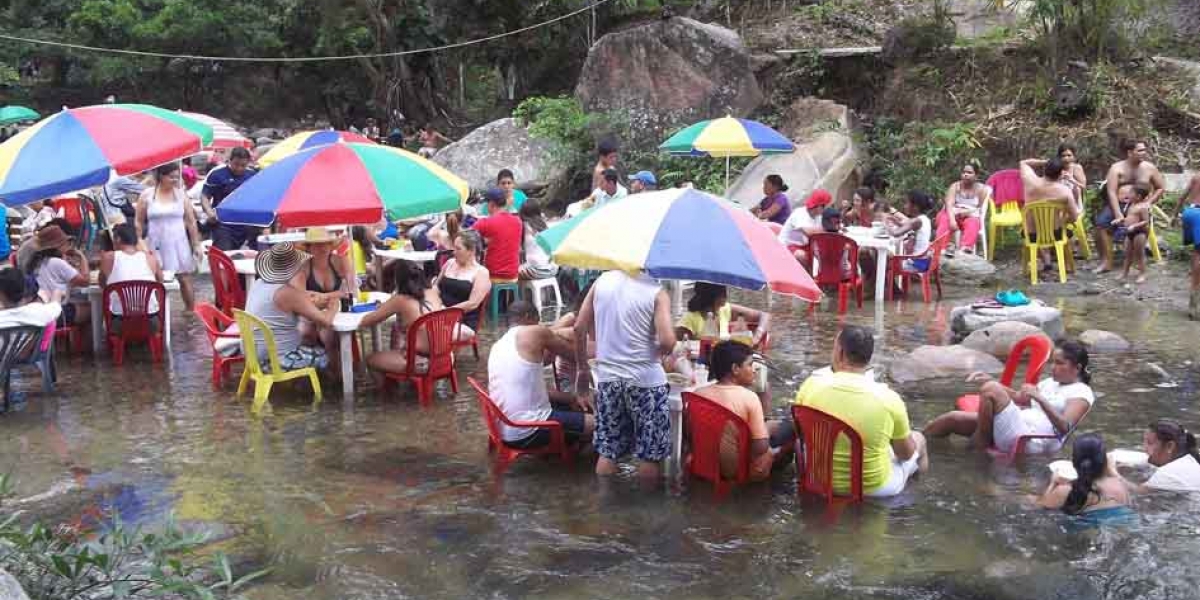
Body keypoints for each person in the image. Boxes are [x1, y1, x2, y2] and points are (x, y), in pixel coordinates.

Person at [794, 325, 928, 497]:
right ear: (868, 358)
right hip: (873, 489)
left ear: (840, 352)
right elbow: (905, 454)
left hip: (818, 480)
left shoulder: (811, 386)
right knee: (920, 440)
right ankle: (910, 501)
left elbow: (801, 433)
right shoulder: (889, 398)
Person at [574, 270, 675, 478]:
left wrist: (582, 368)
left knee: (608, 449)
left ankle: (604, 504)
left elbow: (578, 328)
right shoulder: (657, 291)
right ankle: (647, 508)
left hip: (608, 379)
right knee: (650, 454)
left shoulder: (601, 282)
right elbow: (668, 342)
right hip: (646, 382)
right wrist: (654, 353)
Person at [924, 340, 1094, 454]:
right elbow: (1020, 398)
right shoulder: (1050, 382)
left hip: (1031, 440)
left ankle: (980, 443)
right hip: (1017, 423)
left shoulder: (1081, 392)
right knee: (952, 419)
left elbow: (1066, 427)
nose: (1053, 368)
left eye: (1059, 363)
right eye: (1053, 362)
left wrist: (1041, 399)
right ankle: (914, 447)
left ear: (1077, 368)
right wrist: (993, 381)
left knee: (991, 389)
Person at [488, 300, 594, 448]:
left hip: (504, 430)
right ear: (527, 317)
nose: (539, 325)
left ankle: (570, 447)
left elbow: (533, 389)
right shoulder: (533, 332)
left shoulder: (498, 345)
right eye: (538, 321)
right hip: (528, 431)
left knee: (573, 406)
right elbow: (572, 353)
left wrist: (571, 398)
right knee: (601, 425)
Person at [694, 341, 795, 481]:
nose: (754, 370)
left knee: (772, 425)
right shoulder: (749, 398)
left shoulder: (698, 394)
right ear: (735, 369)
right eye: (750, 364)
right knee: (790, 429)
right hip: (737, 470)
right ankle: (772, 487)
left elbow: (690, 433)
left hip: (705, 464)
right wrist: (767, 430)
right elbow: (760, 447)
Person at [361, 259, 473, 376]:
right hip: (445, 358)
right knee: (401, 333)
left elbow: (368, 320)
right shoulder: (433, 291)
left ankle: (389, 391)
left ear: (398, 281)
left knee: (370, 359)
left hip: (420, 363)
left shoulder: (400, 299)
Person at [244, 243, 337, 371]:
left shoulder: (259, 283)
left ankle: (302, 383)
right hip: (275, 360)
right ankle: (334, 386)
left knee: (308, 338)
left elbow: (292, 303)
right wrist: (334, 305)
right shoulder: (287, 292)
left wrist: (311, 299)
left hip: (253, 355)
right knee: (326, 355)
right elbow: (326, 322)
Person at [1095, 140, 1166, 273]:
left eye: (1144, 150)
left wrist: (1148, 203)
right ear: (1129, 152)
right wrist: (1117, 213)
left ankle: (1136, 262)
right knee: (1101, 224)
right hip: (1119, 204)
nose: (1144, 153)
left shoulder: (1149, 167)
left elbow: (1160, 188)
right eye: (1140, 150)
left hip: (1139, 206)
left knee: (1137, 229)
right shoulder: (1117, 168)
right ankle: (1106, 262)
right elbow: (1111, 191)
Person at [136, 162, 199, 310]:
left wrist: (196, 244)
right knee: (157, 279)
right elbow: (138, 221)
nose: (175, 180)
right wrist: (138, 242)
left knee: (184, 278)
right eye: (171, 177)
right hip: (156, 242)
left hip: (178, 242)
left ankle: (191, 312)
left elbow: (191, 221)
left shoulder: (181, 194)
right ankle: (158, 312)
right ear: (161, 176)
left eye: (177, 177)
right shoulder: (147, 195)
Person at [1037, 434, 1131, 519]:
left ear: (1074, 463)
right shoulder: (1120, 485)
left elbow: (1040, 506)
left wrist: (1052, 484)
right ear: (1104, 462)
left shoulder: (1064, 491)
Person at [1019, 157, 1078, 271]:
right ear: (1061, 173)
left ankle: (1046, 260)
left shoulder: (1029, 181)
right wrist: (1062, 220)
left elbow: (1023, 162)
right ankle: (1066, 265)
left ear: (1045, 169)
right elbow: (1074, 217)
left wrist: (1045, 161)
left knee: (1034, 229)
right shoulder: (1065, 191)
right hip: (1055, 234)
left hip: (1031, 235)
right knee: (1068, 231)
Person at [675, 282, 770, 348]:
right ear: (712, 296)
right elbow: (676, 349)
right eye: (724, 293)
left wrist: (757, 336)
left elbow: (764, 315)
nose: (726, 297)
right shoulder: (690, 319)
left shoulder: (724, 310)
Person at [28, 225, 90, 326]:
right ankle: (89, 342)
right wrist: (82, 256)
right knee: (92, 310)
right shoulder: (56, 262)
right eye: (66, 243)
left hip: (40, 311)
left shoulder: (37, 262)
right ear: (59, 246)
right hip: (56, 312)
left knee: (77, 306)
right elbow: (85, 281)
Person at [99, 223, 162, 317]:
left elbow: (102, 283)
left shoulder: (108, 257)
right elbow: (160, 283)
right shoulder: (150, 258)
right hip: (149, 319)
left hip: (120, 320)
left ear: (118, 239)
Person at [202, 147, 259, 251]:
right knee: (225, 255)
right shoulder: (217, 174)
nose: (239, 168)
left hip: (245, 224)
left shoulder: (252, 176)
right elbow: (205, 196)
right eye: (236, 164)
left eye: (243, 165)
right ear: (230, 160)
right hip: (223, 224)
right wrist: (209, 212)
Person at [435, 230, 491, 329]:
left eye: (458, 249)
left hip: (463, 320)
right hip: (439, 313)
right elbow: (436, 286)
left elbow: (472, 304)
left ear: (472, 251)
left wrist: (445, 312)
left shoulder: (481, 272)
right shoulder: (450, 263)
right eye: (454, 248)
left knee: (432, 331)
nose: (453, 252)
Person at [936, 164, 992, 255]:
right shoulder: (955, 186)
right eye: (964, 172)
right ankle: (940, 249)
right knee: (945, 218)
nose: (965, 175)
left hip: (969, 215)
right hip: (952, 214)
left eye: (969, 172)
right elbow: (949, 205)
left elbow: (979, 209)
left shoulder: (982, 190)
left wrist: (966, 212)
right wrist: (952, 220)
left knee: (973, 222)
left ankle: (965, 249)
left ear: (976, 176)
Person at [472, 188, 523, 281]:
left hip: (493, 274)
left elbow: (467, 236)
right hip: (513, 275)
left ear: (491, 204)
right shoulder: (518, 221)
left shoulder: (485, 222)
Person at [1136, 419, 1200, 493]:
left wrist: (1119, 477)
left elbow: (1137, 493)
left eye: (1150, 443)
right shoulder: (1189, 460)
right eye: (1144, 441)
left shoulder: (1169, 473)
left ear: (1170, 446)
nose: (1144, 448)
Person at [777, 189, 832, 266]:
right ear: (819, 206)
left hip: (804, 245)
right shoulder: (799, 213)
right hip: (787, 246)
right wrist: (829, 229)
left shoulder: (819, 217)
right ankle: (807, 277)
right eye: (826, 206)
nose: (827, 209)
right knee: (801, 256)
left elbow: (820, 235)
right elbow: (808, 232)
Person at [887, 190, 934, 272]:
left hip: (914, 263)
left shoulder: (916, 221)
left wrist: (884, 223)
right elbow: (907, 227)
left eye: (906, 203)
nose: (904, 206)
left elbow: (895, 234)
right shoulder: (924, 219)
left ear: (915, 207)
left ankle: (886, 284)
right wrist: (896, 221)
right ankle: (888, 284)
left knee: (882, 261)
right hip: (923, 261)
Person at [1118, 184, 1153, 284]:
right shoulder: (1130, 205)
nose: (1128, 194)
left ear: (1138, 196)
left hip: (1139, 233)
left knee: (1139, 253)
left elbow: (1146, 221)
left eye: (1131, 193)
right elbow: (1129, 218)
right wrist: (1120, 220)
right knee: (1127, 254)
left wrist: (1135, 226)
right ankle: (1124, 273)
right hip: (1129, 232)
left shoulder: (1142, 207)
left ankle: (1142, 273)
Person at [1177, 174, 1200, 319]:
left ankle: (1194, 289)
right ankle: (1195, 300)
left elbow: (1182, 197)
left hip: (1189, 212)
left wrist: (1173, 216)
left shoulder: (1196, 176)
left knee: (1197, 252)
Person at [517, 200, 558, 281]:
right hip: (553, 269)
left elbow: (518, 249)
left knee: (511, 274)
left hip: (536, 271)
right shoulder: (544, 225)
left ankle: (523, 294)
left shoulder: (523, 225)